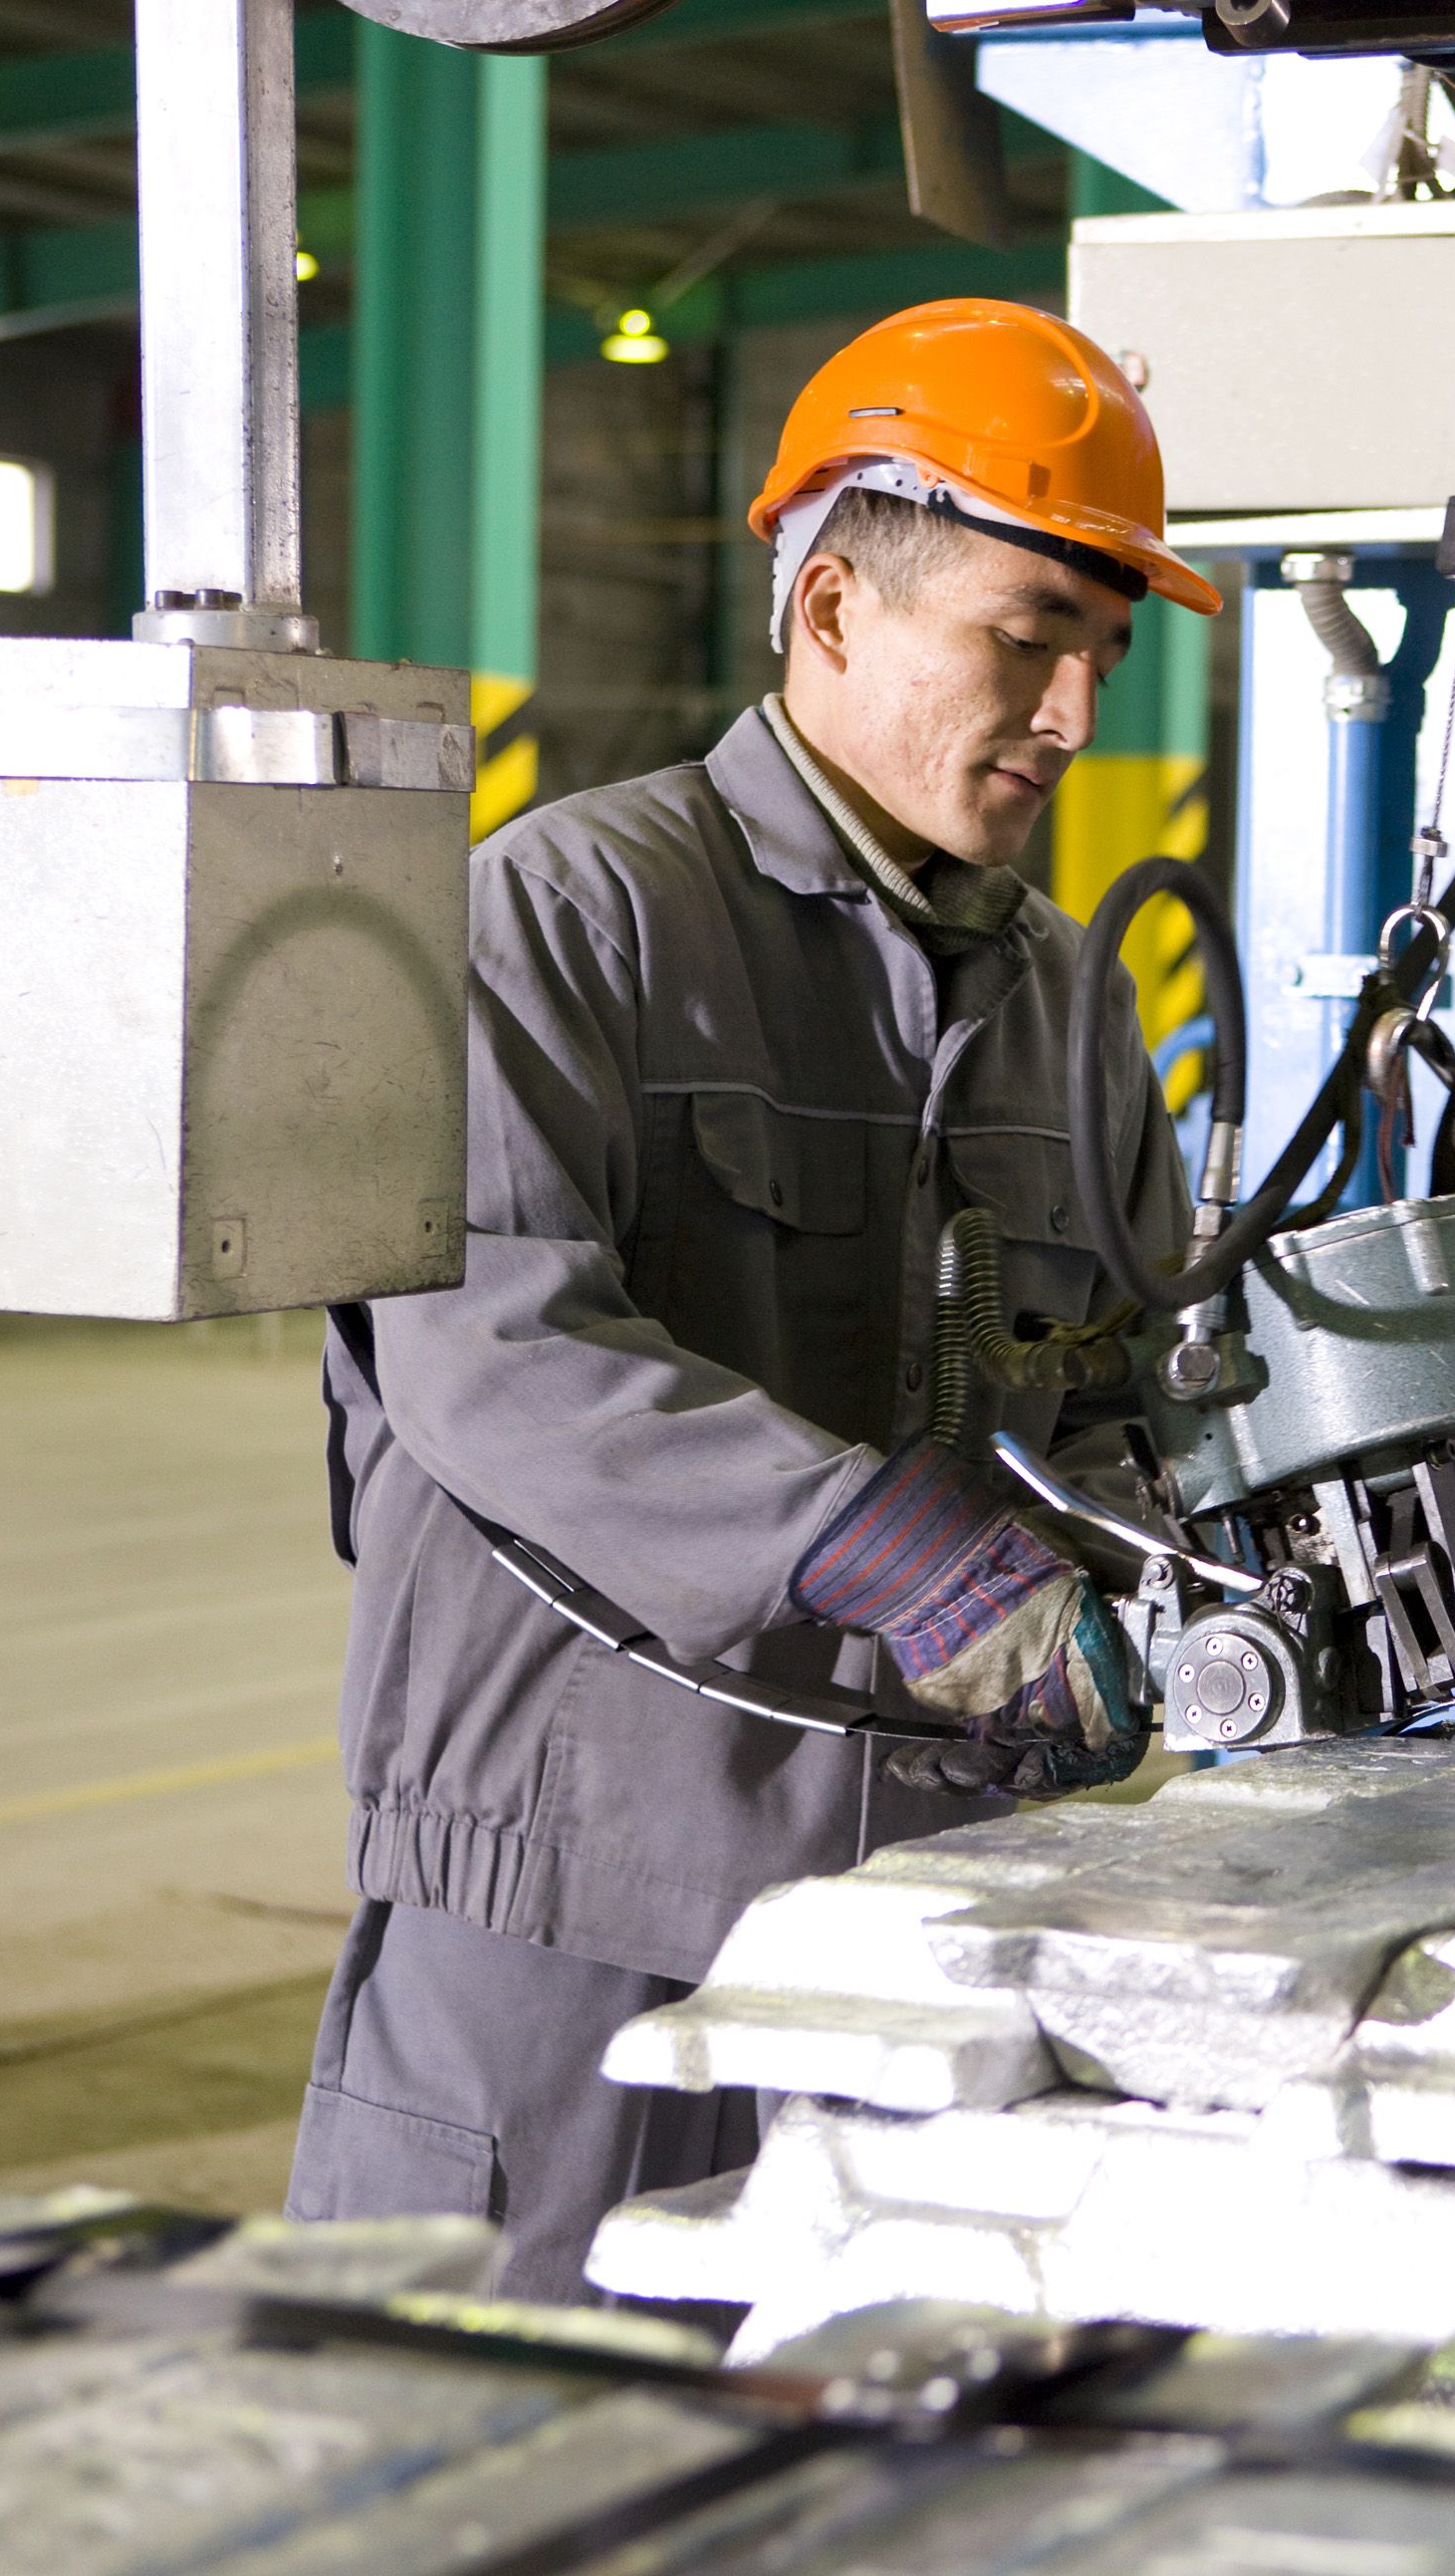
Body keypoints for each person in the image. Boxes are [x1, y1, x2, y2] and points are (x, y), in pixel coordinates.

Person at [286, 299, 1224, 2300]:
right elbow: (491, 1347)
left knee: (878, 2437)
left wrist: (1183, 1565)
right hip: (575, 1910)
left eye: (1104, 654)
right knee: (504, 2426)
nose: (1074, 715)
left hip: (940, 1915)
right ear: (830, 610)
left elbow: (1127, 1383)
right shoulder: (562, 918)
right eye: (1028, 637)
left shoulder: (1070, 1003)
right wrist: (890, 1554)